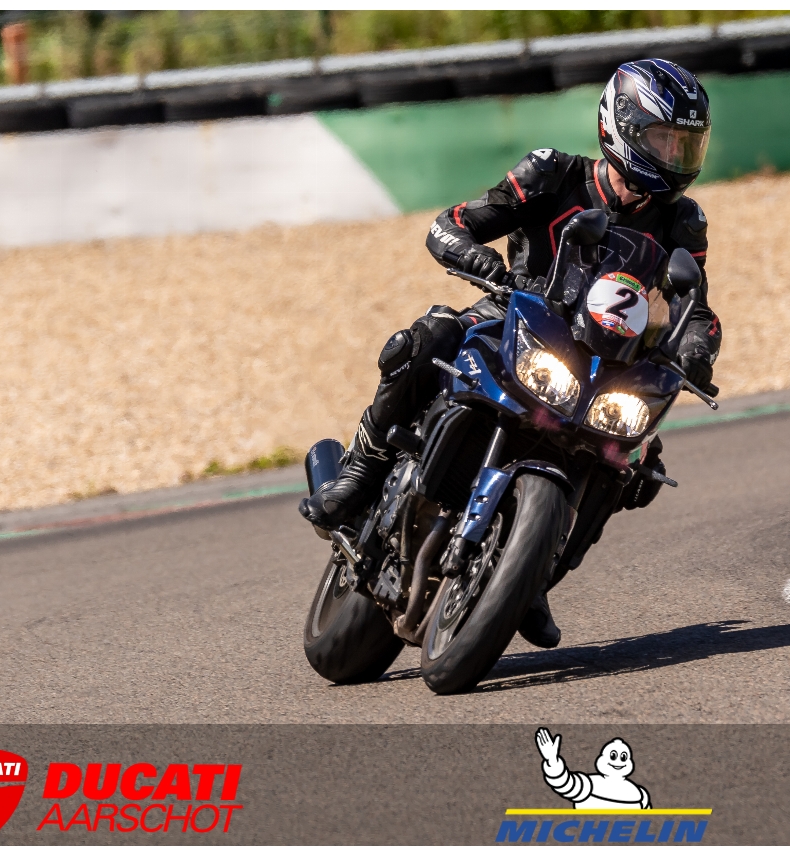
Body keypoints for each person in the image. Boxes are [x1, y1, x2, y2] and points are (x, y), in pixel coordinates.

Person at [300, 58, 722, 647]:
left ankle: (532, 572)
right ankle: (362, 470)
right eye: (663, 141)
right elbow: (453, 223)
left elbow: (696, 307)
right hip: (516, 317)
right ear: (622, 126)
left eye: (686, 145)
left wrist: (697, 348)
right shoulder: (552, 173)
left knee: (639, 462)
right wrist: (477, 258)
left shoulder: (682, 221)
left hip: (606, 359)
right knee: (429, 336)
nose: (674, 158)